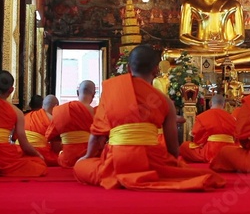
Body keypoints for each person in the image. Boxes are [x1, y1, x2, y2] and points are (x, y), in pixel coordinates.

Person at [74, 45, 226, 190]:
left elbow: (97, 135)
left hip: (115, 163)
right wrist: (170, 165)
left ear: (128, 68)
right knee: (180, 170)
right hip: (151, 162)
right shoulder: (164, 101)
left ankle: (120, 176)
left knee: (80, 166)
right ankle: (149, 174)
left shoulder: (112, 91)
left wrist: (87, 156)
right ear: (156, 70)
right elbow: (173, 149)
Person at [45, 80, 95, 168]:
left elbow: (50, 136)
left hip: (66, 159)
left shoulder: (60, 110)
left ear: (77, 92)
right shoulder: (97, 112)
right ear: (93, 95)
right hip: (90, 157)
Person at [179, 94, 237, 163]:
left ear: (210, 103)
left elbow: (197, 137)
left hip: (210, 151)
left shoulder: (203, 116)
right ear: (224, 105)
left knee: (185, 146)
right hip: (229, 151)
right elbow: (236, 136)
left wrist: (203, 142)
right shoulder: (232, 118)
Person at [16, 95, 60, 166]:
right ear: (56, 106)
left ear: (43, 105)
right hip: (40, 153)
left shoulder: (26, 116)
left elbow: (15, 137)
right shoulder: (54, 120)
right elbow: (56, 148)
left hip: (20, 151)